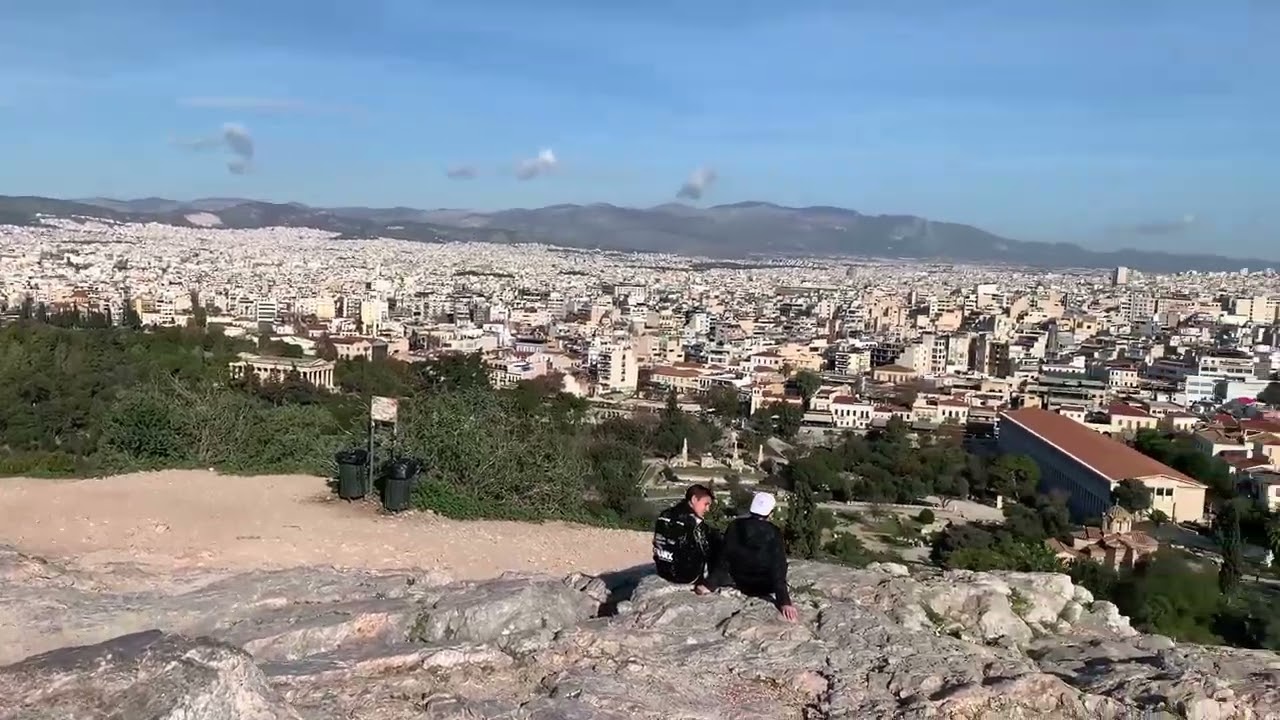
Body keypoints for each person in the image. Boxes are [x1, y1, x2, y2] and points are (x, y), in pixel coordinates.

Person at [700, 491, 798, 622]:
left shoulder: (735, 526)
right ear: (770, 513)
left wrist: (709, 584)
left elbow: (724, 559)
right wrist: (785, 601)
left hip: (739, 581)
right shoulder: (773, 532)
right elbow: (778, 567)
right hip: (764, 587)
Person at [652, 484, 719, 587]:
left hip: (663, 571)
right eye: (706, 504)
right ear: (694, 499)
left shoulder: (664, 515)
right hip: (687, 577)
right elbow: (704, 548)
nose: (707, 509)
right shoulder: (694, 521)